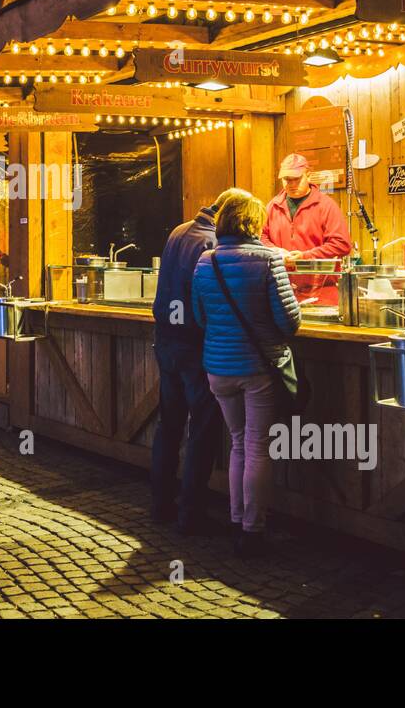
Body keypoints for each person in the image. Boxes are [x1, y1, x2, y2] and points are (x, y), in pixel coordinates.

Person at [192, 189, 301, 557]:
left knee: (238, 442)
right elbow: (289, 322)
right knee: (257, 447)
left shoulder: (205, 262)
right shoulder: (268, 260)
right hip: (257, 368)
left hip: (218, 368)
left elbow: (199, 317)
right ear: (254, 222)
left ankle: (238, 520)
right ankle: (253, 532)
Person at [149, 190, 230, 534]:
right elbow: (206, 296)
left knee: (169, 424)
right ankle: (191, 511)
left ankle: (160, 503)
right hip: (195, 344)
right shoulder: (212, 244)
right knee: (202, 427)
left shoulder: (178, 231)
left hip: (167, 339)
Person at [261, 153, 352, 305]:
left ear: (308, 176)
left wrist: (305, 256)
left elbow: (341, 244)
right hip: (282, 292)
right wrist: (275, 251)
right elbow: (261, 238)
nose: (291, 184)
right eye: (286, 180)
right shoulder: (272, 206)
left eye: (296, 179)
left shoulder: (326, 205)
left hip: (321, 294)